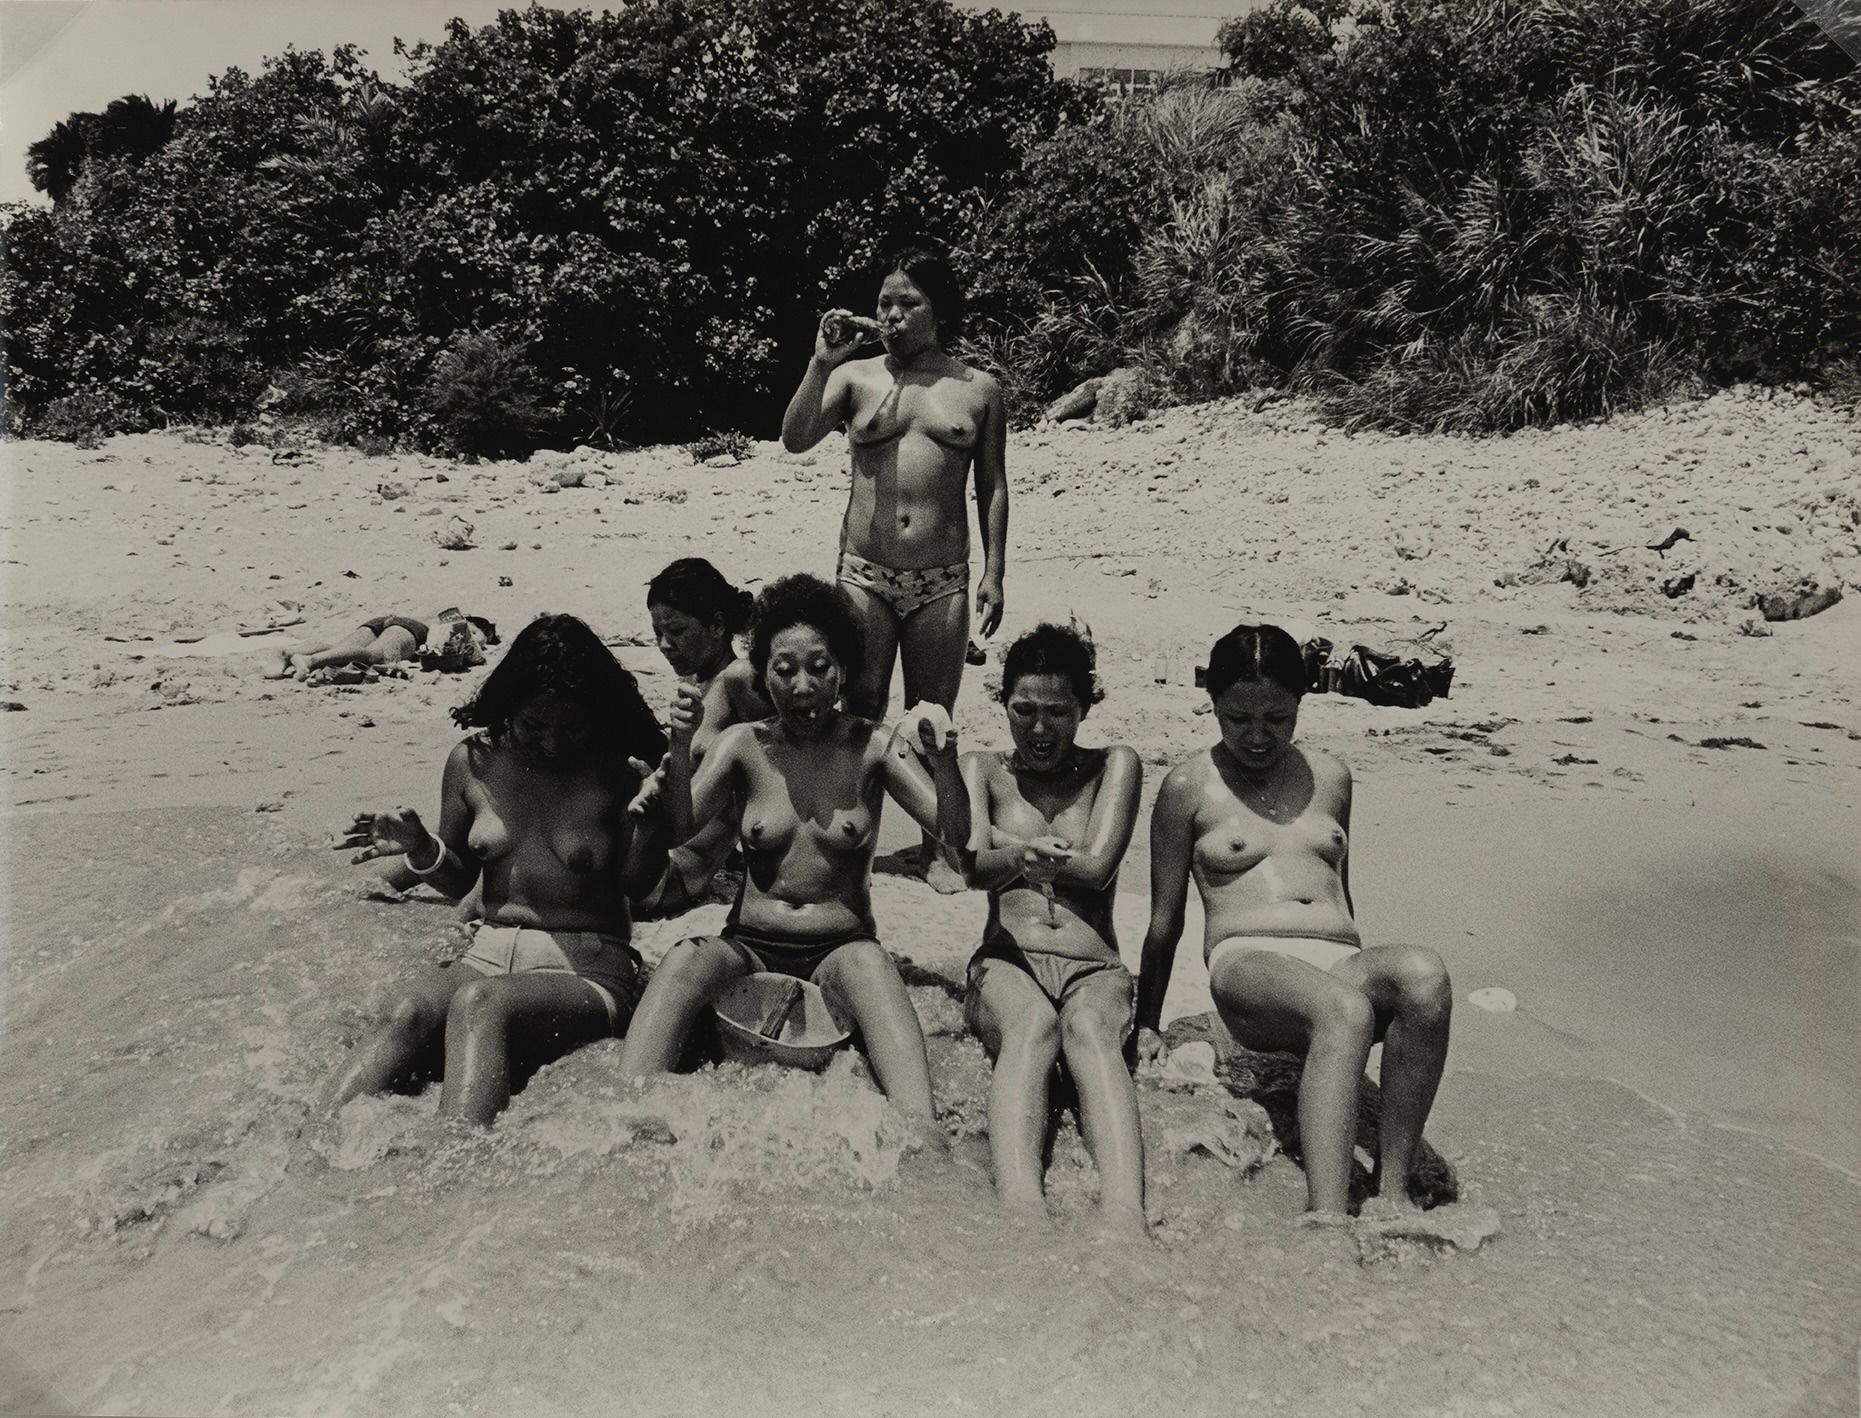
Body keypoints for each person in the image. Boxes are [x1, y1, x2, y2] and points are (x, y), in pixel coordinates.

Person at [619, 574, 971, 1140]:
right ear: (762, 675)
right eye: (784, 671)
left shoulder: (874, 745)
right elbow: (682, 827)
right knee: (684, 959)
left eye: (819, 668)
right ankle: (628, 1109)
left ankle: (920, 1128)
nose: (803, 686)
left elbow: (954, 833)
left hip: (841, 946)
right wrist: (680, 749)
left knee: (873, 968)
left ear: (844, 671)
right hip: (750, 944)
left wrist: (945, 758)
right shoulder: (742, 745)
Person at [1135, 624, 1453, 1222]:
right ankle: (1327, 1218)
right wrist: (1146, 1024)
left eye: (1278, 718)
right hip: (1248, 963)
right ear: (1213, 704)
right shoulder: (1186, 786)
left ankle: (1392, 1196)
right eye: (1238, 718)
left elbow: (1340, 892)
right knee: (1345, 1010)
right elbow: (1164, 921)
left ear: (1302, 703)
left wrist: (1364, 967)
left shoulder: (1331, 776)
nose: (1257, 736)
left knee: (1426, 976)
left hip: (1336, 960)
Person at [321, 613, 667, 1125]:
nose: (552, 743)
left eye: (572, 727)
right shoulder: (472, 762)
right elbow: (462, 879)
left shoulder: (619, 771)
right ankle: (299, 1153)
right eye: (533, 725)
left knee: (480, 1006)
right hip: (485, 955)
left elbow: (638, 888)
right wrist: (420, 848)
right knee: (406, 1012)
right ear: (509, 706)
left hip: (588, 970)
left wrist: (652, 821)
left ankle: (455, 1162)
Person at [780, 246, 1009, 893]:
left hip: (943, 580)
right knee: (858, 711)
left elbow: (991, 485)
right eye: (885, 302)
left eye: (908, 303)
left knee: (932, 716)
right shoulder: (854, 380)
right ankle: (854, 844)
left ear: (939, 311)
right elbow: (794, 438)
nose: (892, 314)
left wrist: (994, 572)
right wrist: (819, 361)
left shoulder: (977, 389)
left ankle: (940, 851)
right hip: (864, 574)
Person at [956, 624, 1146, 1237]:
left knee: (1088, 1029)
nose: (1040, 730)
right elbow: (970, 869)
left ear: (1085, 708)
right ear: (1004, 704)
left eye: (1058, 713)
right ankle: (1021, 1209)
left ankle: (1124, 1214)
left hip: (1093, 965)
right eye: (1024, 710)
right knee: (1032, 1026)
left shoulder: (1116, 765)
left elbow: (1097, 868)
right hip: (1008, 960)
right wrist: (1016, 857)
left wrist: (1010, 847)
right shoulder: (980, 769)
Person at [633, 558, 772, 915]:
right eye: (657, 634)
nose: (664, 645)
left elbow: (786, 765)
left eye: (676, 631)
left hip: (676, 874)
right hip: (665, 856)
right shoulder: (696, 685)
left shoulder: (739, 679)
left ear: (717, 625)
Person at [265, 608, 496, 681]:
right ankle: (309, 660)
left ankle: (288, 653)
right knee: (371, 656)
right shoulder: (457, 624)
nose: (476, 640)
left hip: (385, 620)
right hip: (412, 631)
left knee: (338, 650)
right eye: (476, 633)